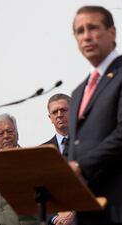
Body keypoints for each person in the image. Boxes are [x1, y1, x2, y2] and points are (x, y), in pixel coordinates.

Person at [67, 5, 122, 225]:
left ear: (112, 32)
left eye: (92, 28)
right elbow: (75, 146)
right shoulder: (78, 92)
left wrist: (81, 167)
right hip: (87, 209)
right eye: (79, 31)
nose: (86, 36)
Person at [0, 114, 39, 225]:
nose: (6, 136)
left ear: (17, 134)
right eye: (0, 133)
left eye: (9, 131)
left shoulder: (33, 160)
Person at [42, 93, 75, 225]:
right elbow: (39, 191)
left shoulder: (89, 143)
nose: (59, 114)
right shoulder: (42, 151)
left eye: (63, 110)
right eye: (55, 112)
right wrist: (55, 219)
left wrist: (75, 213)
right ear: (50, 118)